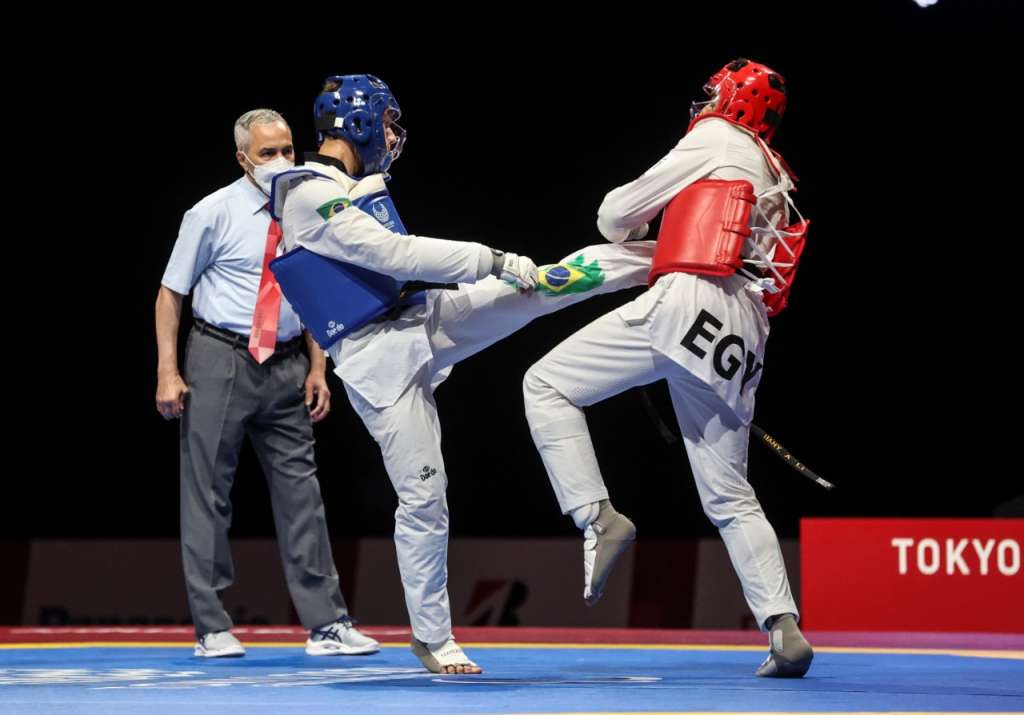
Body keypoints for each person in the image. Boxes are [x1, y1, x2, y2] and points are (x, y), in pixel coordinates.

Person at [271, 74, 656, 673]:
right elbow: (392, 255)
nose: (395, 135)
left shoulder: (350, 186)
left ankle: (656, 261)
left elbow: (396, 269)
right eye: (389, 122)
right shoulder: (303, 192)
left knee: (537, 286)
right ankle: (431, 637)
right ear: (361, 122)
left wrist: (506, 272)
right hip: (377, 363)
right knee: (424, 498)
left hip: (417, 320)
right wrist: (490, 259)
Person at [521, 59, 814, 678]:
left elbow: (614, 213)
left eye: (714, 92)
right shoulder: (777, 173)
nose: (703, 100)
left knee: (545, 384)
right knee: (732, 494)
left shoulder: (714, 139)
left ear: (733, 100)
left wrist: (649, 225)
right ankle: (784, 629)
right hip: (746, 329)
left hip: (689, 300)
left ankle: (597, 516)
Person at [155, 108, 378, 658]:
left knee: (303, 493)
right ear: (242, 159)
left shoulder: (310, 203)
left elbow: (315, 289)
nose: (281, 162)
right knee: (208, 492)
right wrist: (168, 370)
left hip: (287, 363)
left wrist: (319, 368)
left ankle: (327, 625)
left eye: (287, 150)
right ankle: (211, 627)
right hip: (220, 355)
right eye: (266, 154)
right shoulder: (212, 211)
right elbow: (170, 294)